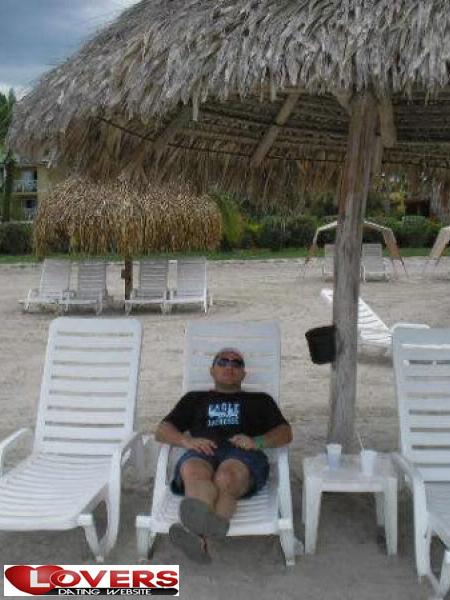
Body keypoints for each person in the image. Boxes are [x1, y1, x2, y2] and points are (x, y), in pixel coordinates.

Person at [155, 346, 292, 563]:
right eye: (222, 362)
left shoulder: (260, 400)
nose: (229, 366)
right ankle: (204, 537)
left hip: (242, 455)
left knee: (226, 477)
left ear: (243, 374)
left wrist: (257, 442)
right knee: (193, 471)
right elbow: (162, 430)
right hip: (202, 451)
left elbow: (285, 433)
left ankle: (195, 535)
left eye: (236, 363)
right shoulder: (194, 398)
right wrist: (187, 441)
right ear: (212, 370)